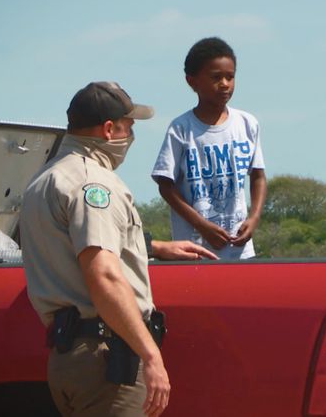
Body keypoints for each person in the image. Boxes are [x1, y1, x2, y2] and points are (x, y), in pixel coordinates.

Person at [20, 81, 217, 417]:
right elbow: (104, 275)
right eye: (129, 126)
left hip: (69, 356)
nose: (131, 136)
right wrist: (151, 355)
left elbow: (76, 244)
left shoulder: (45, 178)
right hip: (108, 359)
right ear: (109, 129)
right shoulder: (93, 183)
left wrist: (151, 246)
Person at [152, 37, 267, 259]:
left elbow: (258, 177)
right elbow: (166, 186)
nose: (224, 84)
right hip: (195, 250)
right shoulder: (181, 128)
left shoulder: (247, 123)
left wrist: (254, 218)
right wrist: (202, 225)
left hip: (240, 251)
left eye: (230, 77)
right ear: (192, 81)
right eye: (216, 77)